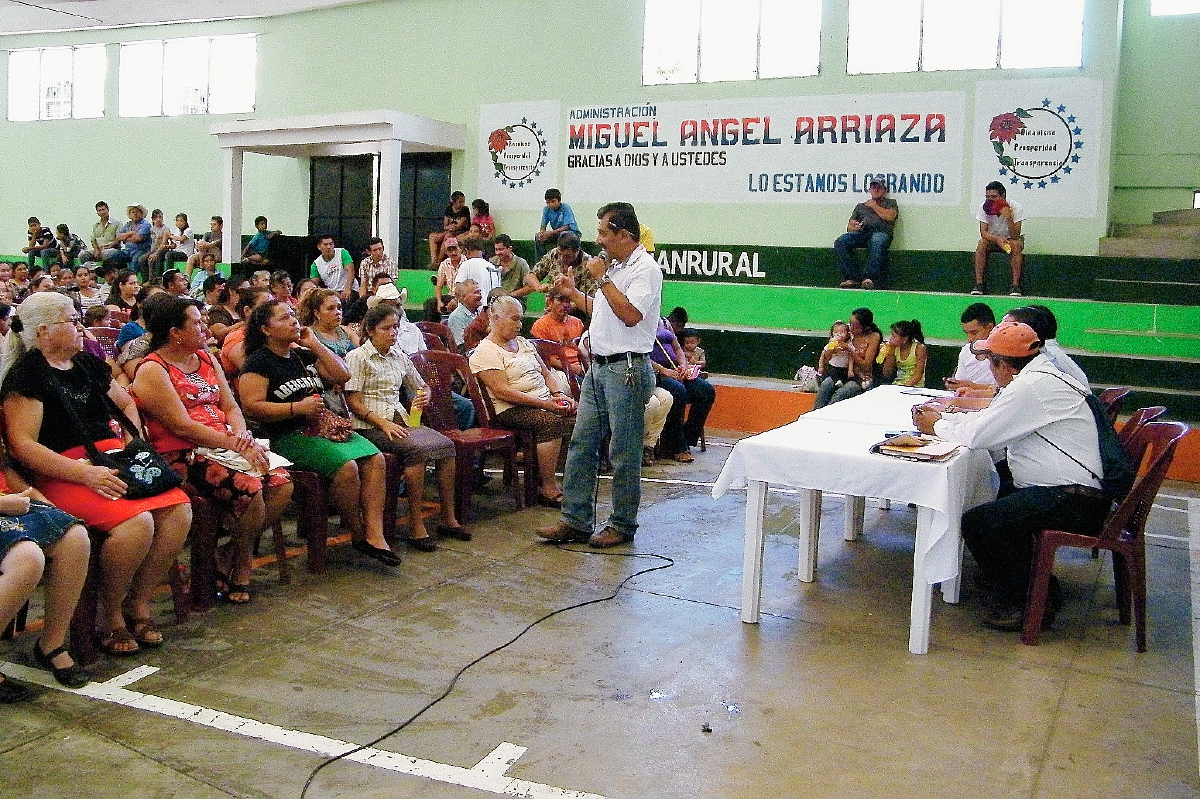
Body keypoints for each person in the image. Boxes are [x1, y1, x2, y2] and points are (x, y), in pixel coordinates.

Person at [0, 292, 192, 656]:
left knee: (178, 510)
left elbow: (124, 403)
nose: (80, 326)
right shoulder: (26, 377)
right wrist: (82, 474)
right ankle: (111, 614)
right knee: (138, 524)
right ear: (44, 332)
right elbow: (23, 445)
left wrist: (129, 441)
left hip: (110, 460)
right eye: (71, 321)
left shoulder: (87, 363)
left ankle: (139, 602)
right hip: (63, 471)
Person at [912, 321, 1109, 631]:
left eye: (991, 362)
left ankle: (1029, 603)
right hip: (1069, 490)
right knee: (996, 500)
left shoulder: (1030, 387)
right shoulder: (1038, 378)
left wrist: (935, 425)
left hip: (1073, 498)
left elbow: (980, 435)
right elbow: (992, 420)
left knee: (980, 524)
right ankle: (1033, 583)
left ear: (1002, 364)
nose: (989, 371)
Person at [132, 295, 292, 604]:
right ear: (174, 332)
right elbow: (182, 427)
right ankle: (242, 567)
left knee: (282, 482)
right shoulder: (153, 369)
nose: (205, 326)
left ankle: (228, 555)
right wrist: (235, 444)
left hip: (226, 443)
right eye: (196, 322)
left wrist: (243, 437)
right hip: (184, 454)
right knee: (251, 489)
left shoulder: (205, 357)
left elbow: (231, 406)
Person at [537, 202, 660, 548]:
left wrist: (601, 278)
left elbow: (632, 314)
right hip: (599, 368)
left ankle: (622, 523)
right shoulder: (615, 267)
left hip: (628, 370)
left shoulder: (644, 270)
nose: (598, 240)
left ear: (624, 235)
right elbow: (603, 309)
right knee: (582, 444)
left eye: (604, 233)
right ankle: (575, 520)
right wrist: (573, 293)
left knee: (623, 450)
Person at [239, 300, 398, 568]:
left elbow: (343, 375)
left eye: (293, 315)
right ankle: (358, 533)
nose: (293, 320)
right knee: (347, 468)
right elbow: (251, 407)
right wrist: (295, 408)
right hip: (290, 436)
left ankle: (375, 533)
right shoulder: (259, 362)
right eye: (284, 318)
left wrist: (314, 344)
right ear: (266, 329)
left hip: (326, 428)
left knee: (376, 458)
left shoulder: (302, 354)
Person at [345, 304, 467, 551]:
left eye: (396, 327)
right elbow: (353, 402)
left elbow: (422, 385)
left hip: (399, 420)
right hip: (369, 424)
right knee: (415, 451)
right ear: (370, 329)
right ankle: (416, 524)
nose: (393, 333)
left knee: (447, 447)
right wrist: (383, 423)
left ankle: (448, 517)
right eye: (386, 328)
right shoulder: (357, 357)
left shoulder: (398, 355)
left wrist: (424, 397)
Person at [471, 296, 577, 507]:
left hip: (541, 401)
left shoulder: (523, 343)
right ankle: (547, 487)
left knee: (579, 417)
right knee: (552, 421)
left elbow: (547, 374)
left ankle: (570, 481)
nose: (520, 325)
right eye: (515, 319)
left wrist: (558, 394)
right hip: (509, 410)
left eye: (521, 319)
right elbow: (502, 392)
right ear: (495, 317)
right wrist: (544, 404)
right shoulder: (485, 351)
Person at [0, 453, 91, 693]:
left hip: (9, 502)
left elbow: (6, 469)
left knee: (75, 536)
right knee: (27, 558)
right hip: (4, 506)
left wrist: (40, 502)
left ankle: (51, 644)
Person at [650, 317, 715, 463]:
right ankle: (677, 445)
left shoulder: (664, 322)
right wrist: (664, 371)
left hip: (675, 369)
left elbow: (677, 348)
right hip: (656, 373)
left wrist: (683, 366)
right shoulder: (638, 322)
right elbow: (641, 356)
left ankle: (686, 438)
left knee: (706, 391)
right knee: (679, 391)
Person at [834, 178, 898, 290]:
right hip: (863, 234)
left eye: (879, 187)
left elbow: (890, 216)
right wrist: (854, 226)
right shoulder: (861, 206)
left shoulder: (891, 203)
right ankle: (851, 278)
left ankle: (869, 278)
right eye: (873, 187)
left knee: (877, 240)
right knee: (841, 241)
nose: (876, 189)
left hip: (881, 233)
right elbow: (849, 226)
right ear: (869, 190)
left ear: (884, 190)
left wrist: (874, 206)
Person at [813, 307, 883, 408]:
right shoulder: (846, 334)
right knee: (825, 385)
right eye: (850, 323)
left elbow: (866, 366)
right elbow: (827, 359)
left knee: (841, 393)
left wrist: (850, 349)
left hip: (860, 378)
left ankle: (827, 415)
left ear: (865, 327)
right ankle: (814, 413)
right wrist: (832, 350)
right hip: (841, 373)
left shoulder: (873, 337)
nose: (850, 328)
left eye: (855, 326)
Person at [1007, 305, 1090, 389]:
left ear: (1030, 331)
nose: (1000, 331)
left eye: (1008, 328)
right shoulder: (1048, 353)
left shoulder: (1045, 359)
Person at [973, 181, 1027, 297]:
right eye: (987, 197)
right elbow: (983, 233)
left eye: (994, 197)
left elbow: (1015, 236)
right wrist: (997, 239)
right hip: (993, 240)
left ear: (1002, 196)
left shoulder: (1015, 207)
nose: (990, 200)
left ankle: (1015, 286)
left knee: (1017, 245)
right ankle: (979, 284)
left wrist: (1008, 217)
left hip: (1010, 240)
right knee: (981, 243)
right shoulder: (984, 207)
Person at [529, 287, 585, 382]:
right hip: (558, 369)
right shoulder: (540, 325)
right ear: (550, 302)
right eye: (561, 300)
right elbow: (544, 357)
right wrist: (569, 367)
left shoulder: (578, 323)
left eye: (568, 301)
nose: (565, 305)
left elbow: (583, 351)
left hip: (581, 366)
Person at [944, 302, 997, 393]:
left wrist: (972, 387)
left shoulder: (1006, 352)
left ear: (990, 327)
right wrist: (954, 385)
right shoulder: (966, 350)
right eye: (966, 333)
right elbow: (960, 383)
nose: (970, 339)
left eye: (974, 332)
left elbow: (1006, 389)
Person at [534, 231, 598, 305]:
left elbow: (590, 301)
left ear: (577, 252)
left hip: (577, 311)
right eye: (559, 254)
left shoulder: (588, 265)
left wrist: (564, 307)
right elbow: (531, 275)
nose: (561, 258)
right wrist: (538, 286)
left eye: (567, 256)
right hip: (552, 307)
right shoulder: (553, 253)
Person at [299, 287, 359, 357]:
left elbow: (362, 353)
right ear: (316, 313)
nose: (338, 312)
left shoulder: (346, 331)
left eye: (339, 308)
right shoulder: (308, 335)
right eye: (330, 308)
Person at [309, 235, 358, 306]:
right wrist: (330, 292)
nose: (329, 247)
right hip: (332, 293)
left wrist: (347, 289)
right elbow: (314, 285)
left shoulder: (342, 252)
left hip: (350, 289)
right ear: (319, 247)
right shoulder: (316, 264)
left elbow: (351, 271)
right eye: (325, 244)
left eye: (331, 244)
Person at [877, 320, 927, 387]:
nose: (891, 339)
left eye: (894, 336)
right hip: (897, 384)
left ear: (904, 339)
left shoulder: (919, 348)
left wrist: (904, 388)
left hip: (915, 386)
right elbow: (887, 373)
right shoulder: (894, 348)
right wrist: (890, 353)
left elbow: (918, 375)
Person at [490, 234, 538, 305]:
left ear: (510, 248)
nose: (497, 253)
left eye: (501, 249)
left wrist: (511, 295)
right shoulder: (491, 262)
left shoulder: (521, 263)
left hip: (516, 300)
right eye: (496, 249)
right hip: (495, 300)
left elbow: (530, 287)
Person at [427, 191, 471, 266]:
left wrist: (450, 228)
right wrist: (448, 228)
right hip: (448, 231)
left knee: (448, 236)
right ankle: (433, 261)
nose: (462, 204)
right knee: (432, 236)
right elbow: (445, 225)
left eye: (463, 201)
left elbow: (459, 226)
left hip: (461, 231)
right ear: (454, 202)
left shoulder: (465, 210)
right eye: (460, 202)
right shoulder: (449, 209)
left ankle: (439, 261)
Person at [534, 188, 579, 260]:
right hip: (556, 233)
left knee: (563, 235)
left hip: (571, 233)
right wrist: (542, 233)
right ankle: (541, 260)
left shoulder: (566, 208)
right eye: (548, 202)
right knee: (538, 236)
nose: (550, 204)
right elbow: (543, 225)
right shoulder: (546, 209)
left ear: (559, 200)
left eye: (553, 201)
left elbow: (566, 227)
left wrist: (550, 233)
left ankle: (560, 260)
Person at [109, 204, 153, 268]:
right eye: (133, 212)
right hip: (127, 250)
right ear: (129, 215)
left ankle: (132, 276)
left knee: (135, 261)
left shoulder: (145, 225)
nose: (135, 214)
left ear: (141, 213)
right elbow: (118, 237)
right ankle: (120, 275)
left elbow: (138, 238)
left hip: (141, 251)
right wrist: (131, 233)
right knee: (114, 256)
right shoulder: (128, 224)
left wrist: (125, 238)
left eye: (137, 212)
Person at [433, 236, 465, 316]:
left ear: (460, 249)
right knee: (430, 304)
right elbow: (439, 286)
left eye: (455, 249)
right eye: (450, 250)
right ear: (446, 252)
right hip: (450, 295)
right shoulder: (444, 264)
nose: (453, 253)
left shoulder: (467, 263)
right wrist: (439, 301)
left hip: (463, 297)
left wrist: (456, 299)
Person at [447, 279, 483, 350]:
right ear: (464, 297)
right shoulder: (456, 317)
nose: (480, 296)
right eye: (476, 293)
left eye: (479, 292)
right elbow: (462, 347)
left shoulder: (481, 312)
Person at [817, 320, 853, 385]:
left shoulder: (848, 345)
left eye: (842, 332)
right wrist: (821, 366)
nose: (839, 334)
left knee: (846, 376)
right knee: (831, 371)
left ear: (847, 334)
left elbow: (851, 357)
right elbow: (823, 354)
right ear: (832, 334)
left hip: (844, 367)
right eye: (836, 332)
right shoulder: (831, 344)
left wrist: (850, 370)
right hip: (833, 366)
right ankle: (837, 381)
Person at [140, 209, 170, 280]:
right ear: (153, 219)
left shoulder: (165, 229)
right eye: (156, 218)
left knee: (153, 259)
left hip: (162, 249)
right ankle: (145, 280)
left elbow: (164, 243)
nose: (158, 219)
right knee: (141, 259)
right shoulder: (152, 229)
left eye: (160, 217)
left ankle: (155, 280)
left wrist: (156, 253)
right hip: (153, 250)